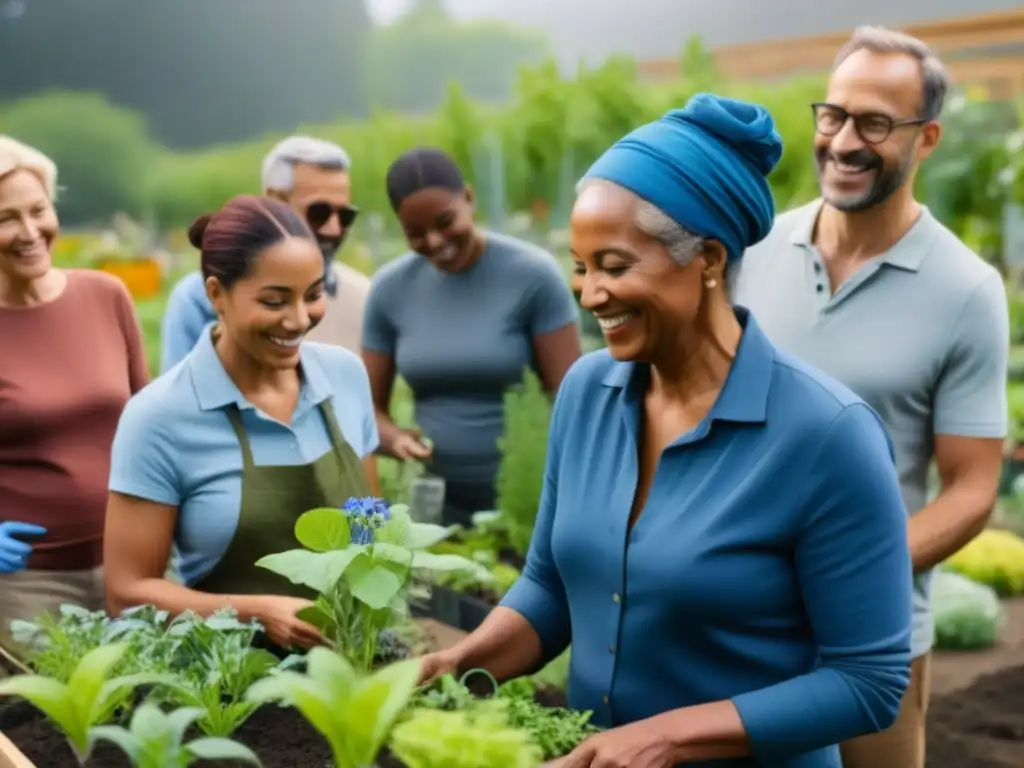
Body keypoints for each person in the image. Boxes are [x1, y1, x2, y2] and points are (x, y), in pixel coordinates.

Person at [417, 94, 914, 768]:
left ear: (707, 258)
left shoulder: (827, 436)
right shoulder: (586, 396)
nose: (591, 295)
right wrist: (456, 666)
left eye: (617, 266)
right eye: (582, 266)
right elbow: (552, 587)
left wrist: (665, 737)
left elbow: (869, 682)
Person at [733, 27, 1007, 768]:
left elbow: (975, 486)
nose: (845, 141)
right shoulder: (751, 254)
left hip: (871, 644)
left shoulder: (966, 291)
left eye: (876, 123)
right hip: (733, 627)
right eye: (834, 115)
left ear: (929, 138)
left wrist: (855, 569)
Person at [103, 195, 379, 650]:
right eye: (274, 301)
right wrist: (257, 613)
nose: (297, 320)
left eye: (312, 295)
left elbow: (368, 520)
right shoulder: (160, 418)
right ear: (216, 294)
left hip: (351, 660)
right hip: (226, 686)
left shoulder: (345, 376)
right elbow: (127, 592)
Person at [362, 148, 582, 526]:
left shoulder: (532, 276)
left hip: (526, 504)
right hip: (432, 511)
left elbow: (573, 398)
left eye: (445, 221)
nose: (434, 241)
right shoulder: (389, 290)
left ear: (468, 198)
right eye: (415, 233)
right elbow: (367, 410)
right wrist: (395, 438)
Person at [0, 136, 148, 650]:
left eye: (37, 210)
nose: (28, 232)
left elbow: (148, 424)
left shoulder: (105, 295)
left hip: (131, 567)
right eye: (5, 219)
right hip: (27, 585)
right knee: (52, 726)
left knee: (140, 719)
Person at [160, 135, 370, 371]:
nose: (334, 228)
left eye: (345, 216)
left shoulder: (363, 295)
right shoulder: (198, 297)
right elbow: (179, 393)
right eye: (318, 212)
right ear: (276, 199)